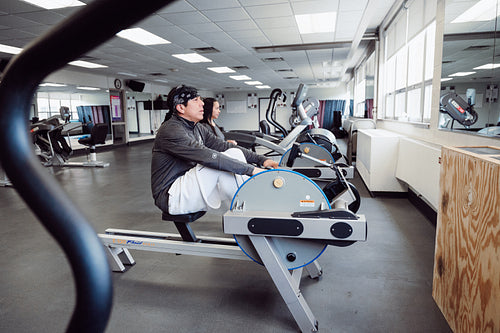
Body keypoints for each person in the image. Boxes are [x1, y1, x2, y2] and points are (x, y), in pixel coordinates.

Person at [151, 85, 278, 215]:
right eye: (196, 100)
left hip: (188, 188)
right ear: (181, 108)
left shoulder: (197, 128)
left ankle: (249, 209)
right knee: (215, 163)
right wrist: (253, 170)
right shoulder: (171, 130)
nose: (202, 104)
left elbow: (225, 146)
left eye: (200, 99)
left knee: (234, 153)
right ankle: (250, 212)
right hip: (171, 196)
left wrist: (262, 160)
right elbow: (209, 157)